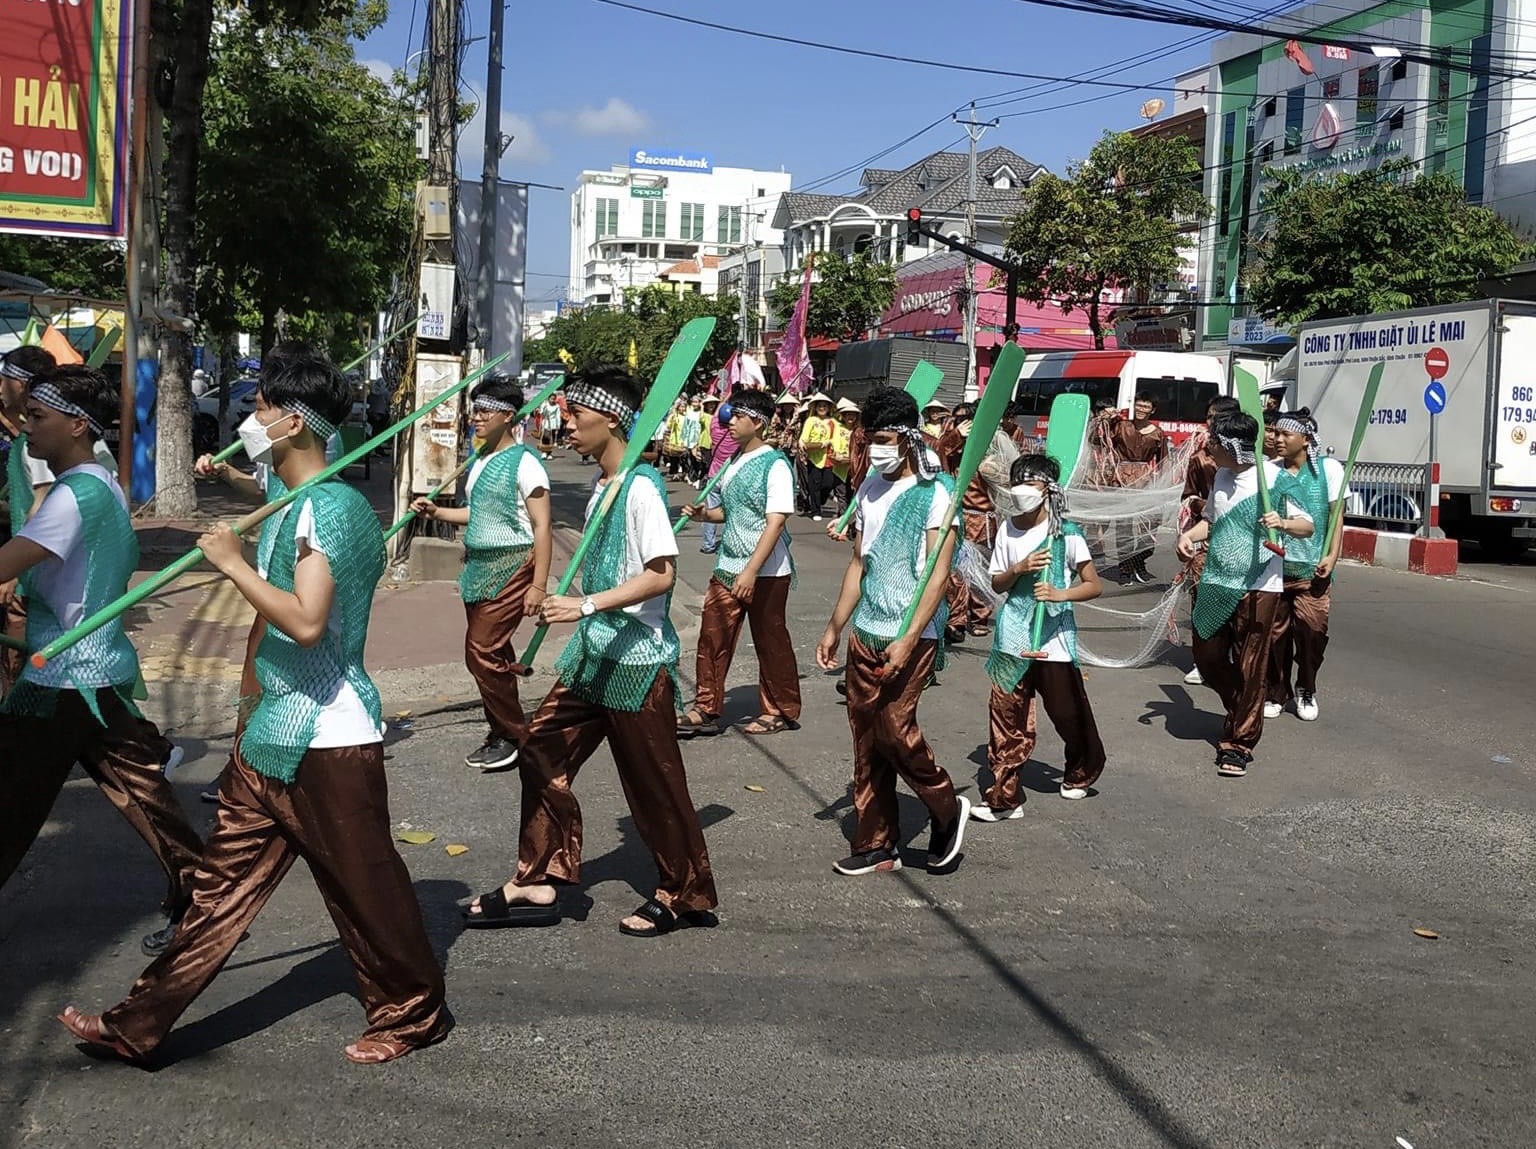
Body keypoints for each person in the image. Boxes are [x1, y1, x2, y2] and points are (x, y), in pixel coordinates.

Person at [58, 354, 452, 1066]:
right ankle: (137, 1023)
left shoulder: (329, 508)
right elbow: (269, 530)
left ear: (294, 421)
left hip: (329, 735)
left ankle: (415, 1011)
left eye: (263, 406)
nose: (251, 419)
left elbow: (306, 622)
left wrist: (233, 564)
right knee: (216, 892)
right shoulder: (296, 497)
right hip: (272, 731)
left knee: (366, 890)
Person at [463, 365, 718, 937]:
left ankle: (683, 893)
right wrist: (570, 602)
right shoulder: (606, 486)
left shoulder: (643, 487)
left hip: (636, 664)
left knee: (655, 786)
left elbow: (660, 576)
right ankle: (538, 875)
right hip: (592, 658)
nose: (567, 424)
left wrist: (583, 605)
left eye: (576, 414)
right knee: (539, 751)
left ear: (611, 418)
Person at [0, 362, 204, 938]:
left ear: (77, 426)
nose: (25, 425)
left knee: (9, 802)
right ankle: (203, 897)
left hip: (63, 681)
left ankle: (205, 901)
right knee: (143, 794)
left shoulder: (72, 497)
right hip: (92, 673)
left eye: (38, 416)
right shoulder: (103, 482)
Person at [815, 385, 970, 876]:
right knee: (865, 737)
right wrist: (835, 626)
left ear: (907, 438)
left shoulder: (938, 492)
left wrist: (909, 636)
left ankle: (945, 806)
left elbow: (938, 573)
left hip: (912, 632)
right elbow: (860, 562)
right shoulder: (868, 487)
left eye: (883, 438)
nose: (875, 448)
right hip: (867, 628)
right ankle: (877, 842)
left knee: (895, 732)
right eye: (869, 438)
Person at [411, 375, 552, 769]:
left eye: (485, 411)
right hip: (478, 567)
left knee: (481, 652)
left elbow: (542, 525)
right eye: (475, 410)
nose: (476, 418)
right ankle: (502, 729)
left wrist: (538, 585)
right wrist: (438, 512)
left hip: (513, 565)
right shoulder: (480, 460)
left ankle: (514, 734)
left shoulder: (526, 463)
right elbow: (479, 515)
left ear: (508, 416)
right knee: (495, 652)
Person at [1176, 411, 1312, 778]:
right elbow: (1212, 521)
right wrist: (1189, 536)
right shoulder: (1220, 475)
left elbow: (1307, 525)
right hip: (1218, 579)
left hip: (1259, 585)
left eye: (1214, 443)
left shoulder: (1275, 480)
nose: (1208, 449)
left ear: (1233, 446)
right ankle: (1241, 708)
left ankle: (1238, 744)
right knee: (1207, 656)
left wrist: (1282, 523)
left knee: (1253, 664)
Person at [976, 453, 1107, 818]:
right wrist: (1019, 568)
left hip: (1054, 638)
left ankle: (1080, 769)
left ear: (1049, 489)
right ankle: (1004, 796)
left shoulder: (1067, 534)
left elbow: (1093, 585)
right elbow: (997, 581)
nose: (1021, 491)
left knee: (1067, 713)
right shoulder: (1007, 528)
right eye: (1017, 482)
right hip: (1013, 634)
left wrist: (1060, 594)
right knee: (1006, 716)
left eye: (1030, 483)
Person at [678, 388, 800, 738]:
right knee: (712, 637)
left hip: (766, 571)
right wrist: (705, 514)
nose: (729, 422)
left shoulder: (776, 465)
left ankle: (779, 709)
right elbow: (730, 514)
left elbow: (775, 522)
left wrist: (750, 571)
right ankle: (706, 707)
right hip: (728, 564)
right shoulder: (734, 461)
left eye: (738, 417)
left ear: (758, 423)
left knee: (769, 639)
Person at [1265, 409, 1346, 723]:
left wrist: (1333, 555)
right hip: (1274, 566)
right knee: (1274, 635)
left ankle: (1306, 686)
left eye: (1286, 435)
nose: (1278, 440)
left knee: (1312, 633)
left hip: (1313, 567)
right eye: (1276, 434)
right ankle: (1276, 690)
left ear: (1306, 439)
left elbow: (1337, 516)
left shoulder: (1328, 470)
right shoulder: (1270, 471)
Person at [1177, 395, 1241, 687]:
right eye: (1208, 418)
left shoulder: (1254, 464)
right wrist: (1201, 510)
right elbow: (1188, 496)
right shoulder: (1199, 457)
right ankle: (1202, 659)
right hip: (1205, 533)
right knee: (1201, 596)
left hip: (1236, 543)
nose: (1208, 424)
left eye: (1214, 419)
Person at [937, 401, 997, 642]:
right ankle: (957, 618)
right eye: (957, 419)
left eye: (965, 420)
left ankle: (979, 616)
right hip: (957, 517)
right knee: (955, 571)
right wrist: (955, 437)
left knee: (979, 572)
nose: (961, 423)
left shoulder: (989, 454)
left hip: (982, 521)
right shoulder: (951, 452)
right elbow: (938, 450)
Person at [1110, 391, 1167, 583]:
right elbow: (1098, 440)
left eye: (1146, 406)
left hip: (1146, 481)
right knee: (1123, 525)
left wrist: (1162, 485)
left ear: (1153, 410)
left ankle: (1140, 560)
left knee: (1147, 525)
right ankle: (1125, 567)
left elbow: (1164, 462)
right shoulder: (1121, 426)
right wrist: (1105, 420)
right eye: (1139, 405)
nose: (1141, 409)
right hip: (1122, 479)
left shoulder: (1158, 433)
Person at [699, 395, 734, 555]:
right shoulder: (735, 435)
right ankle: (729, 544)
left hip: (714, 475)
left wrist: (724, 398)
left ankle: (708, 544)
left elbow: (717, 413)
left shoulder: (714, 427)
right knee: (731, 512)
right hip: (731, 476)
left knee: (709, 511)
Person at [797, 392, 836, 521]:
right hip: (814, 457)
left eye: (825, 406)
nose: (822, 408)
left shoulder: (833, 422)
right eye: (819, 406)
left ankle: (819, 502)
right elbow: (804, 437)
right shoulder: (811, 420)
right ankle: (815, 510)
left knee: (828, 484)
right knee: (814, 485)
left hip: (829, 458)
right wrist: (802, 442)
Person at [829, 397, 858, 513]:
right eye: (848, 414)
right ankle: (842, 522)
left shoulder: (858, 431)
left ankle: (849, 522)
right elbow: (835, 444)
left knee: (852, 496)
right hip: (840, 468)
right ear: (844, 416)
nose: (850, 417)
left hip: (854, 469)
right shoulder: (838, 428)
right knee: (842, 496)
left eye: (853, 415)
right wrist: (839, 456)